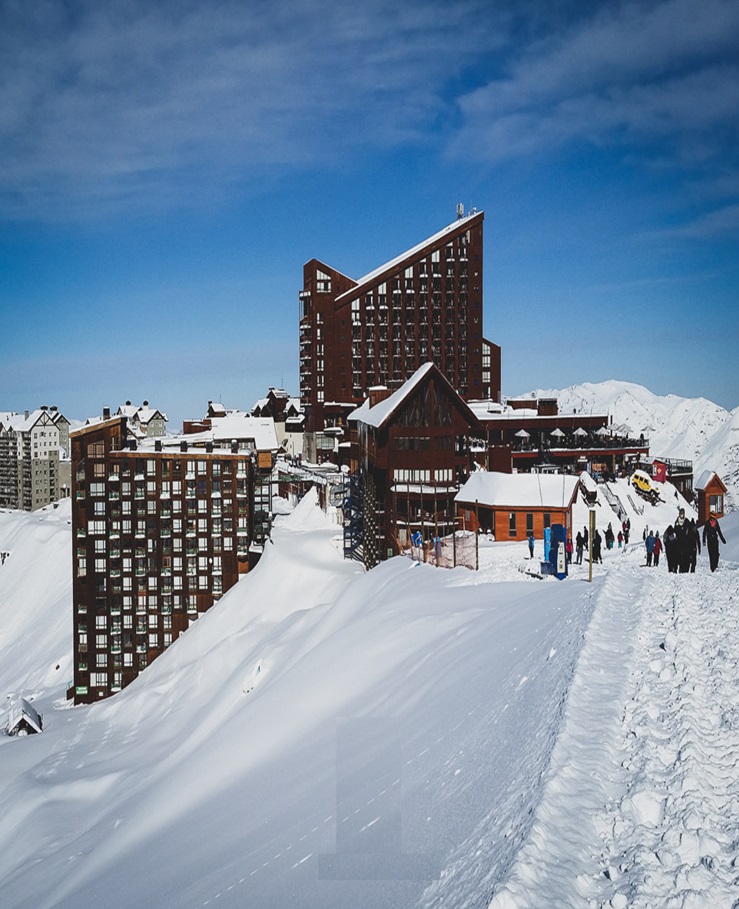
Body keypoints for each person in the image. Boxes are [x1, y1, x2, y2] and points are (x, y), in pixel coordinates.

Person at [673, 507, 691, 573]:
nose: (681, 515)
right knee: (678, 556)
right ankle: (678, 568)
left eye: (682, 514)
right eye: (680, 514)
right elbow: (674, 531)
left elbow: (689, 531)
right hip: (678, 542)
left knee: (685, 556)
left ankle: (684, 569)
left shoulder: (686, 521)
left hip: (685, 542)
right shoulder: (676, 522)